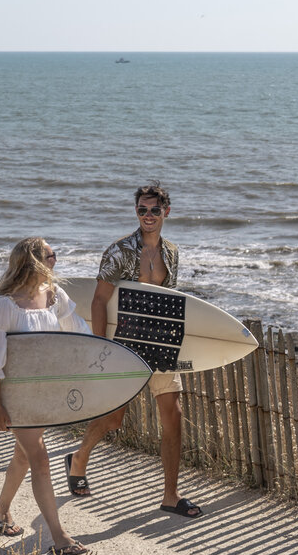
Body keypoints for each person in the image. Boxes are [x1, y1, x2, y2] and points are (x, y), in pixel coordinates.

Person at [64, 182, 202, 517]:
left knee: (174, 417)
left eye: (155, 210)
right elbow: (99, 301)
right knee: (114, 419)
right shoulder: (120, 252)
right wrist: (104, 347)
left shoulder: (172, 252)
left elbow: (168, 302)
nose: (149, 216)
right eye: (142, 210)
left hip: (159, 342)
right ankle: (79, 458)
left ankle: (170, 495)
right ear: (136, 212)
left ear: (166, 211)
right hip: (126, 344)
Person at [0, 237, 91, 555]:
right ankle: (59, 538)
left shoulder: (56, 296)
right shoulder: (5, 305)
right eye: (52, 254)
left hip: (45, 392)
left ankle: (0, 513)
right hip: (17, 395)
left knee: (24, 457)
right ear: (35, 261)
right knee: (40, 460)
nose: (57, 259)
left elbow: (80, 333)